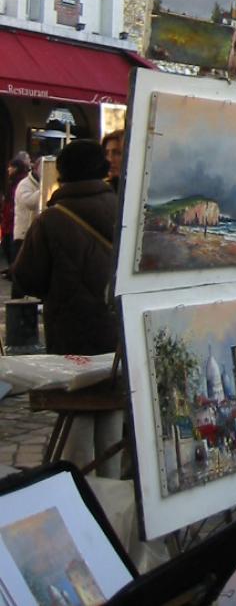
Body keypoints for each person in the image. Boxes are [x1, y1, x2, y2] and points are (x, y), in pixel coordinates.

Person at [12, 138, 122, 477]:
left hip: (72, 333)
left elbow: (27, 278)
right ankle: (112, 489)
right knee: (112, 408)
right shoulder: (123, 210)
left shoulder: (52, 219)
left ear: (64, 173)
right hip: (116, 330)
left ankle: (81, 491)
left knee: (78, 415)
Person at [11, 155, 41, 298]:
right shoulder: (25, 184)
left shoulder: (36, 184)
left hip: (34, 232)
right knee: (20, 269)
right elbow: (28, 202)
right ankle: (17, 299)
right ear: (35, 168)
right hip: (23, 234)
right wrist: (45, 187)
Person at [1, 152, 30, 271]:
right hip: (9, 222)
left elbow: (20, 201)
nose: (8, 169)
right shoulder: (13, 182)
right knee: (8, 248)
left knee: (13, 250)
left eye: (10, 167)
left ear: (16, 168)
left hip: (15, 222)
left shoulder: (21, 183)